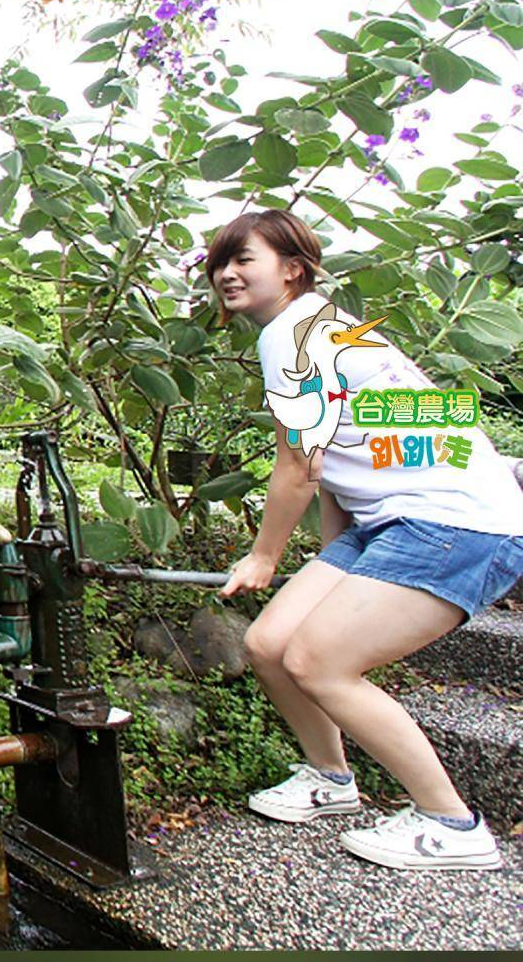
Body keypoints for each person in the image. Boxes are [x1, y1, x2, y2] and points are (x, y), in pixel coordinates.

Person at [206, 208, 522, 870]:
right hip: (395, 515)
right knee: (269, 644)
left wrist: (265, 556)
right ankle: (330, 779)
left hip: (454, 521)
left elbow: (297, 467)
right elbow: (343, 459)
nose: (225, 273)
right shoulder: (322, 327)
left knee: (319, 661)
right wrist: (331, 556)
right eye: (219, 262)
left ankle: (452, 824)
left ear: (292, 270)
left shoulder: (292, 337)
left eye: (244, 260)